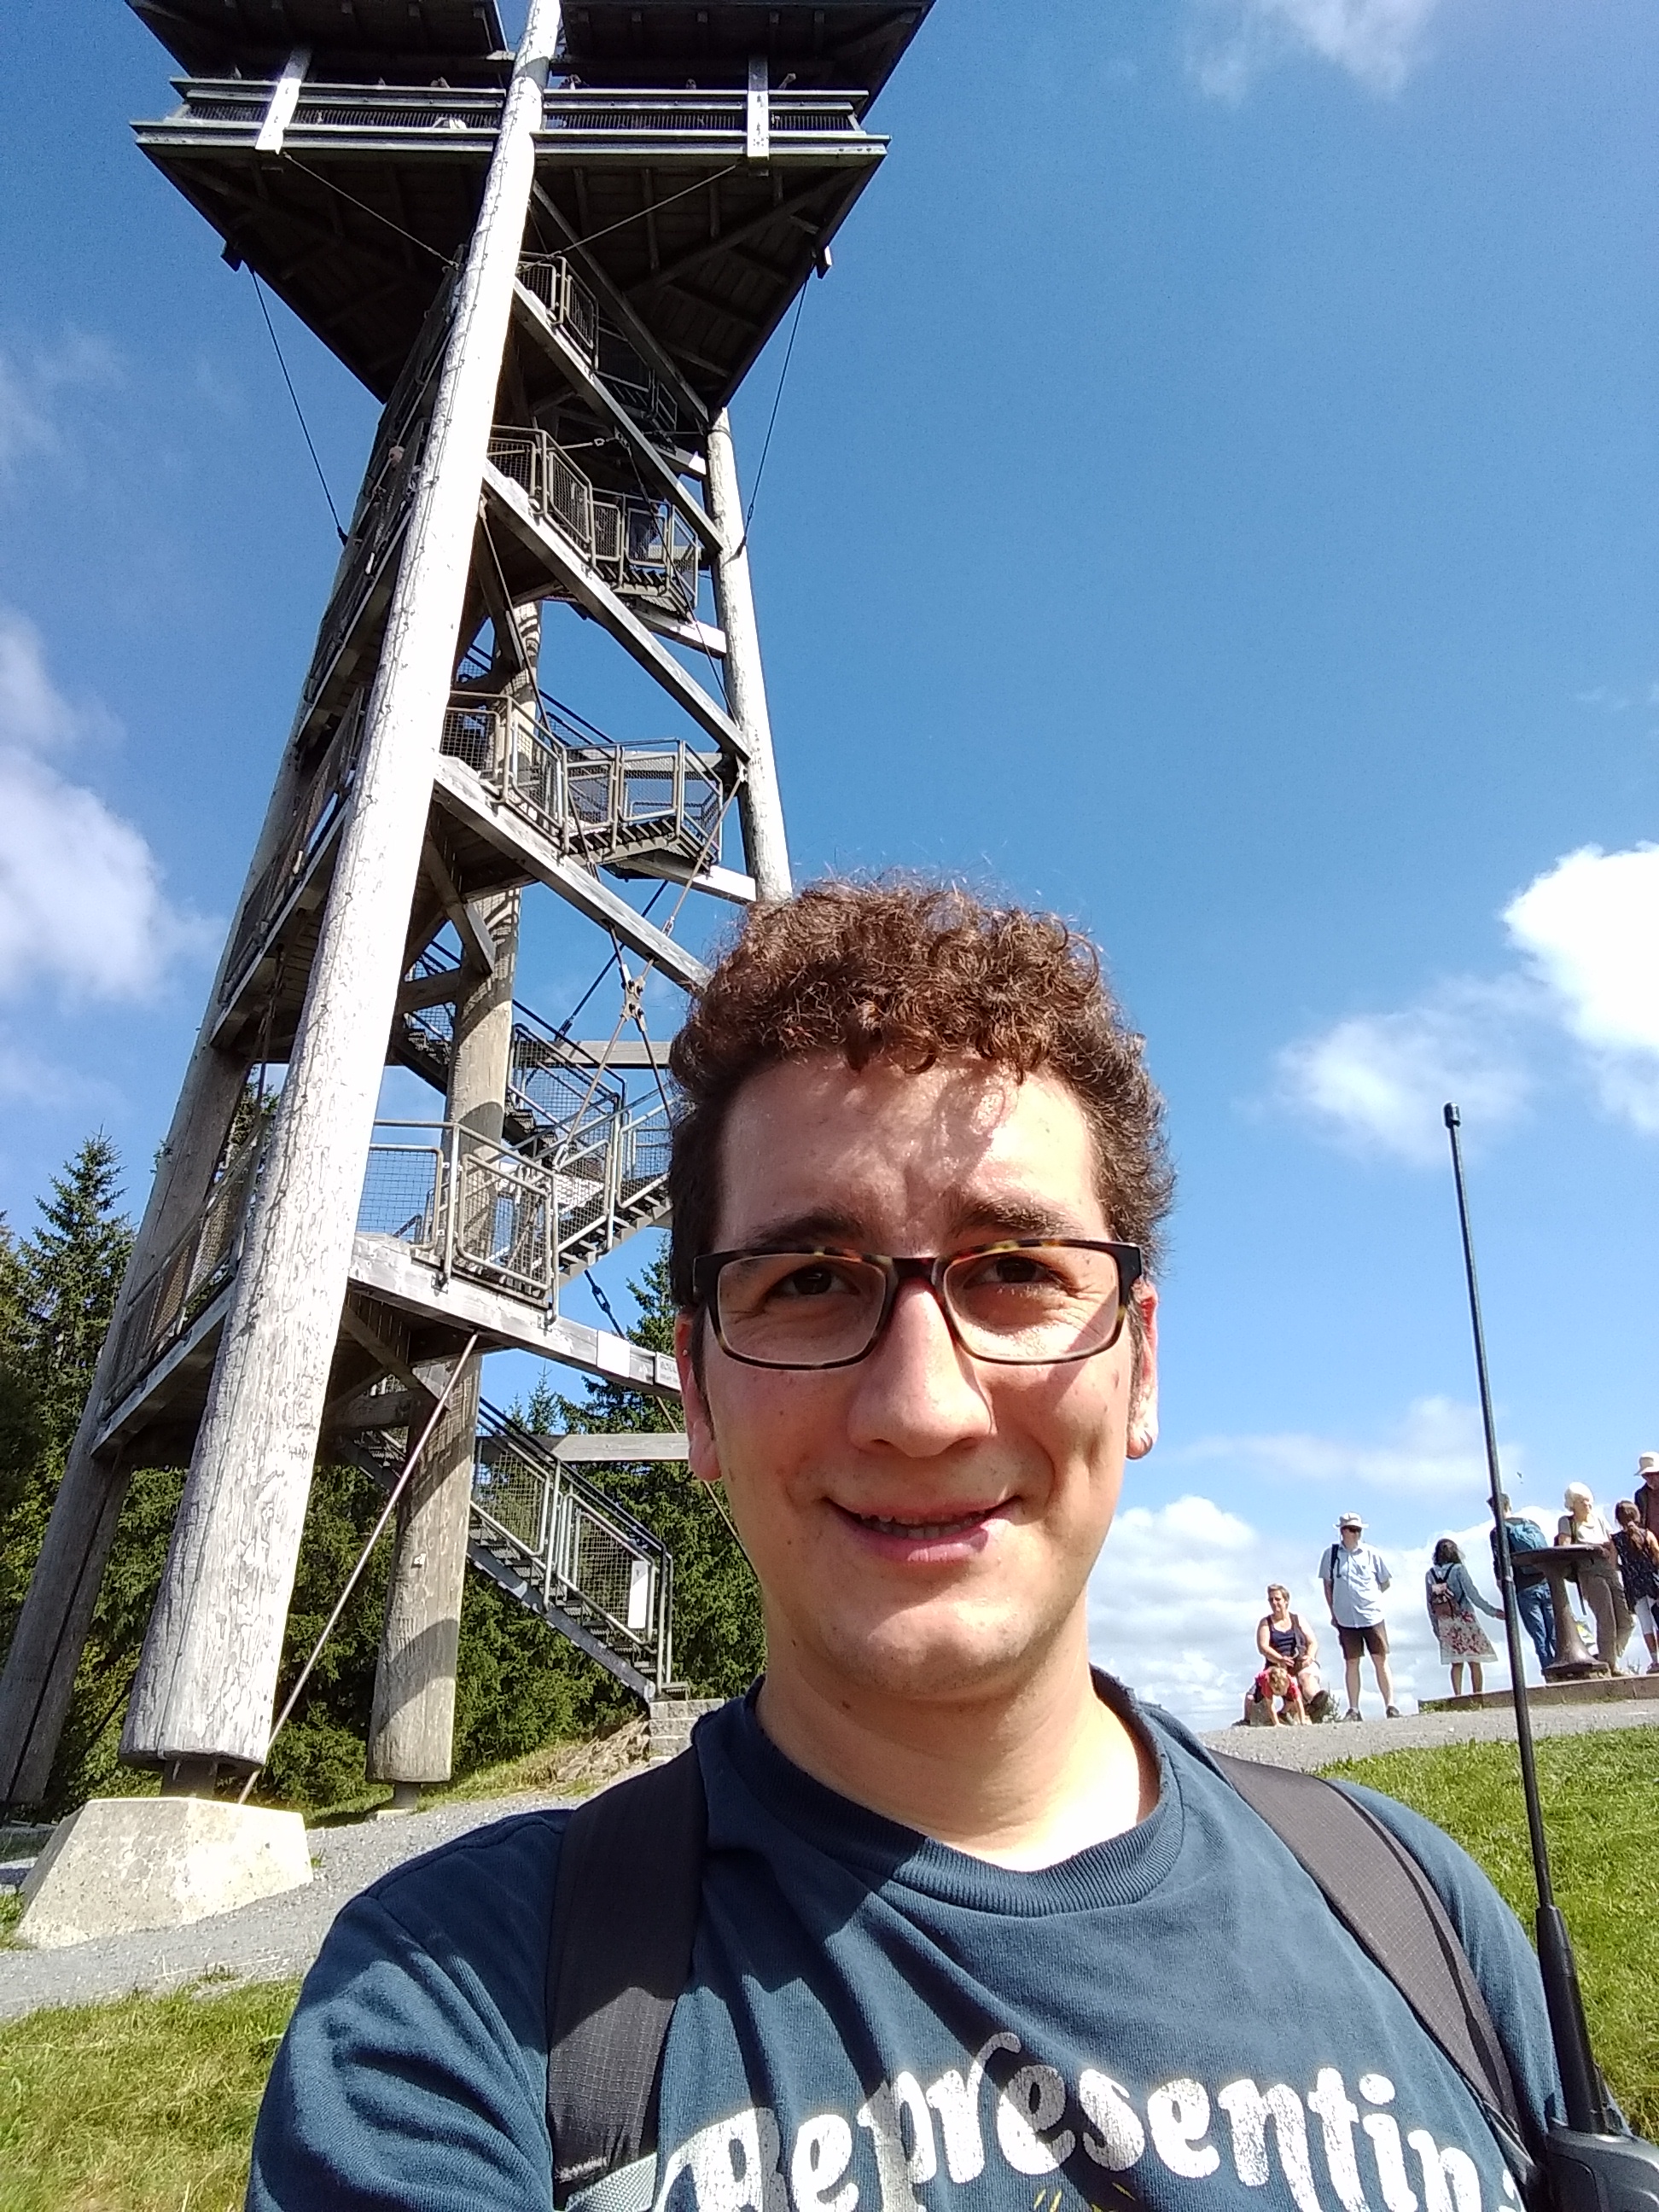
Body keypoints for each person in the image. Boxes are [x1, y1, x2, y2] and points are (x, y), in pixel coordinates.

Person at [248, 881, 1563, 2212]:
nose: (924, 1407)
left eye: (1016, 1271)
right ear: (696, 1392)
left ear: (1141, 1366)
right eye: (809, 1282)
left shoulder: (1418, 1919)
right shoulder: (457, 2002)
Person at [1320, 1512, 1399, 1719]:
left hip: (1372, 1616)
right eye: (1352, 1529)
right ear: (1342, 1531)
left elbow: (1385, 1582)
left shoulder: (1372, 1554)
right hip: (1346, 1618)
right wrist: (1333, 1612)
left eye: (1358, 1530)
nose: (1356, 1534)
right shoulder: (1331, 1555)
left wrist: (1370, 1598)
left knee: (1380, 1660)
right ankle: (1354, 1709)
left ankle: (1390, 1705)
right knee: (1352, 1662)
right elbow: (1327, 1585)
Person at [1557, 1482, 1633, 1674]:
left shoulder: (1598, 1519)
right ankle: (1610, 1665)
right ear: (1572, 1504)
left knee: (1626, 1621)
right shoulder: (1567, 1522)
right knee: (1606, 1617)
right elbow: (1564, 1546)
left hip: (1608, 1569)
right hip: (1589, 1571)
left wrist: (1613, 1564)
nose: (1587, 1505)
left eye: (1589, 1500)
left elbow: (1612, 1544)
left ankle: (1606, 1658)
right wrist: (1591, 1547)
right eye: (1582, 1501)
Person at [1424, 1538, 1504, 1698]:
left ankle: (1458, 1695)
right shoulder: (1459, 1569)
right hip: (1464, 1616)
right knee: (1474, 1659)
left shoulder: (1430, 1574)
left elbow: (1430, 1603)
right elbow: (1472, 1594)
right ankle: (1478, 1694)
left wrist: (1436, 1628)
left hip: (1445, 1621)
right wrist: (1493, 1612)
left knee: (1456, 1662)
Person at [1490, 1493, 1555, 1671]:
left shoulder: (1498, 1531)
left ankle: (1550, 1674)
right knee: (1555, 1631)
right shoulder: (1530, 1524)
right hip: (1546, 1581)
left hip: (1524, 1587)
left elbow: (1500, 1560)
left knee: (1539, 1635)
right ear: (1509, 1505)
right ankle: (1566, 1670)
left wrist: (1500, 1583)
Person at [1254, 1584, 1326, 1715]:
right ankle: (1284, 1712)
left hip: (1301, 1661)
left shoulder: (1298, 1619)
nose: (1274, 1603)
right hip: (1277, 1665)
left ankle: (1317, 1706)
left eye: (1277, 1599)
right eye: (1271, 1600)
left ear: (1286, 1600)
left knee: (1306, 1679)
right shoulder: (1265, 1623)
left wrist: (1309, 1657)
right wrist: (1279, 1659)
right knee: (1253, 1699)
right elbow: (1263, 1647)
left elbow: (1312, 1642)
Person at [1612, 1499, 1659, 1674]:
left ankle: (1655, 1662)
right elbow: (1657, 1555)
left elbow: (1612, 1564)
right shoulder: (1647, 1534)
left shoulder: (1616, 1540)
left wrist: (1625, 1568)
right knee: (1658, 1621)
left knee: (1645, 1624)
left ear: (1618, 1519)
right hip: (1653, 1583)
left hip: (1634, 1586)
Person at [1634, 1452, 1659, 1540]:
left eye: (1652, 1474)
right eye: (1645, 1475)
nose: (1649, 1479)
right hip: (1652, 1546)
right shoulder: (1641, 1495)